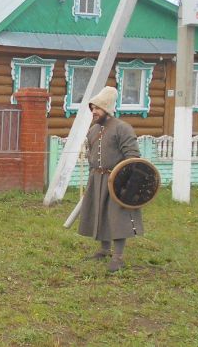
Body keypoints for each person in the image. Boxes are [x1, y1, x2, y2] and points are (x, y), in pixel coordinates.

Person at [77, 86, 144, 273]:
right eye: (92, 108)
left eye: (97, 108)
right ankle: (104, 250)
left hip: (117, 180)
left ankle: (118, 256)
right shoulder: (93, 130)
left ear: (106, 108)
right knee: (100, 212)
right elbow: (92, 155)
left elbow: (133, 157)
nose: (94, 112)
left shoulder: (122, 128)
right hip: (97, 178)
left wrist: (128, 186)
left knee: (117, 217)